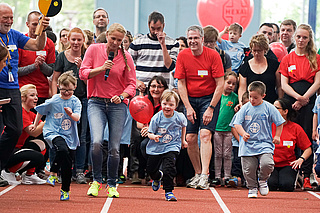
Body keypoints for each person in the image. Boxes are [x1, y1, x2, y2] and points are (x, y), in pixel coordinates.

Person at [79, 23, 136, 198]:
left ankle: (112, 183)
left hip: (117, 104)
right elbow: (83, 73)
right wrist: (102, 68)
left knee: (114, 148)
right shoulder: (94, 50)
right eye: (113, 39)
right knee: (96, 142)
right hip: (96, 102)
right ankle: (96, 180)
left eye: (120, 40)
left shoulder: (126, 57)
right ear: (107, 36)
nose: (116, 43)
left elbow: (132, 84)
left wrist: (123, 95)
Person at [0, 3, 50, 187]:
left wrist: (42, 28)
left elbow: (37, 44)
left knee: (15, 129)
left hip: (13, 87)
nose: (9, 21)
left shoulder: (14, 35)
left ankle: (3, 167)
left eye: (11, 17)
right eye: (5, 17)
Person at [175, 25, 224, 190]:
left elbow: (220, 83)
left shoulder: (213, 55)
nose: (193, 41)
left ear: (202, 39)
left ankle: (205, 175)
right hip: (190, 100)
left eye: (196, 38)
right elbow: (180, 83)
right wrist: (187, 106)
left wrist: (211, 108)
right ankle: (197, 173)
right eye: (190, 38)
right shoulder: (182, 56)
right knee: (189, 138)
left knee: (204, 135)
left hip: (209, 99)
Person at [280, 23, 320, 190]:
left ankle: (306, 174)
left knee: (307, 138)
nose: (301, 40)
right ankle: (293, 172)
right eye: (299, 37)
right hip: (292, 103)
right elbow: (284, 84)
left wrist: (305, 98)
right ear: (294, 38)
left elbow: (317, 82)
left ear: (309, 39)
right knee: (293, 137)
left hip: (309, 103)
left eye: (305, 37)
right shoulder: (287, 58)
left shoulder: (315, 58)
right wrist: (298, 98)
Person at [32, 71, 81, 201]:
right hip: (52, 131)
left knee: (67, 165)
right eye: (64, 90)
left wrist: (70, 114)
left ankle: (65, 190)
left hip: (69, 135)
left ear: (75, 87)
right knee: (62, 149)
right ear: (58, 86)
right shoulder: (54, 100)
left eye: (69, 90)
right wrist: (35, 124)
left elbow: (77, 117)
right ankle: (53, 173)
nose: (66, 93)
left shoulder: (76, 102)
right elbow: (40, 111)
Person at [234, 81, 285, 198]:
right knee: (248, 169)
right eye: (250, 96)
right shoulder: (245, 108)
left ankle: (262, 180)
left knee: (268, 163)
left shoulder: (269, 108)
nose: (252, 100)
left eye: (255, 98)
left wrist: (277, 136)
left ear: (263, 96)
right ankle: (252, 187)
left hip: (264, 142)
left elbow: (280, 123)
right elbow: (237, 124)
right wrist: (243, 133)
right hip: (248, 144)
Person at [52, 27, 88, 184]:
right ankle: (57, 171)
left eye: (79, 39)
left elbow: (90, 82)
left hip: (83, 100)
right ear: (68, 40)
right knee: (60, 135)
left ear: (83, 41)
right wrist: (55, 98)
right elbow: (54, 79)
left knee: (82, 136)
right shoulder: (62, 56)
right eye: (73, 39)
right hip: (64, 100)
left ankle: (79, 170)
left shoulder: (87, 56)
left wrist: (82, 69)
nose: (76, 42)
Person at [1, 84, 46, 185]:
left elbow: (40, 127)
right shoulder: (21, 112)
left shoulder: (31, 113)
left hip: (19, 148)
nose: (36, 98)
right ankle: (7, 172)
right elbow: (34, 132)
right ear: (23, 98)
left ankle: (29, 175)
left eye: (37, 95)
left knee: (41, 144)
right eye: (32, 95)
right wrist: (47, 121)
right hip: (9, 151)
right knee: (38, 157)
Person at [146, 90, 187, 201]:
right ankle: (157, 177)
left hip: (172, 146)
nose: (167, 107)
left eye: (171, 105)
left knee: (169, 168)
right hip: (156, 147)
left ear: (176, 106)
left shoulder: (180, 117)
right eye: (165, 104)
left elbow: (183, 126)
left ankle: (169, 192)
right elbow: (149, 133)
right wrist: (153, 137)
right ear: (161, 103)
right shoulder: (156, 118)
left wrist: (183, 140)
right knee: (150, 169)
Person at [130, 75, 168, 184]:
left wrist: (151, 129)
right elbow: (139, 123)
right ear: (149, 88)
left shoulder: (166, 103)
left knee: (148, 145)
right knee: (138, 142)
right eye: (153, 86)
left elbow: (167, 123)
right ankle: (141, 173)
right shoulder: (144, 100)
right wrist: (147, 129)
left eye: (159, 87)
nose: (156, 89)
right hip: (149, 134)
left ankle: (156, 173)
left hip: (164, 135)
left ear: (164, 89)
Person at [129, 11, 179, 92]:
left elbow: (170, 66)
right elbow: (127, 66)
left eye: (159, 28)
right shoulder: (137, 43)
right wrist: (136, 81)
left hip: (162, 89)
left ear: (163, 25)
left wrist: (163, 44)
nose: (155, 32)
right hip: (142, 89)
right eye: (152, 28)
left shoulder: (173, 43)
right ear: (148, 25)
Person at [269, 98, 312, 191]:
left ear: (285, 111)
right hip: (269, 164)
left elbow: (308, 148)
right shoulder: (267, 125)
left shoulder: (295, 128)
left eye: (276, 108)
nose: (272, 110)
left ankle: (296, 178)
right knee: (271, 185)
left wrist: (301, 159)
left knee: (286, 186)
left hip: (287, 164)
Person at [18, 11, 56, 105]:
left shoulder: (49, 43)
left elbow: (50, 72)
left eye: (39, 24)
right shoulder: (21, 42)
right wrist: (34, 66)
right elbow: (15, 70)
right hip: (24, 92)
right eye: (34, 24)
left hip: (42, 93)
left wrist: (42, 64)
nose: (37, 28)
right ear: (27, 24)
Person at [211, 71, 238, 186]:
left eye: (233, 84)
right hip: (217, 129)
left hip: (228, 130)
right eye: (228, 82)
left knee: (227, 154)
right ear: (223, 82)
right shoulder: (217, 96)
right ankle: (217, 176)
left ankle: (227, 176)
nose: (231, 86)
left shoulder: (235, 98)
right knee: (218, 153)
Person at [238, 34, 282, 104]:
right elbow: (242, 89)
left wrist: (280, 102)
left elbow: (279, 86)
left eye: (259, 51)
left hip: (271, 103)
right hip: (252, 104)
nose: (256, 53)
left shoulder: (274, 65)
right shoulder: (245, 67)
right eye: (254, 51)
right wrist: (241, 103)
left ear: (265, 50)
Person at [229, 91, 249, 187]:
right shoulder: (239, 114)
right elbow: (233, 127)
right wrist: (240, 140)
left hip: (250, 144)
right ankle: (236, 177)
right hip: (238, 143)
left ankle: (247, 179)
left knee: (249, 162)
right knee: (237, 160)